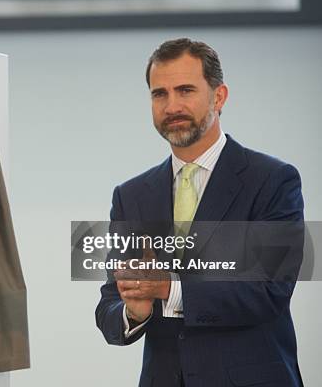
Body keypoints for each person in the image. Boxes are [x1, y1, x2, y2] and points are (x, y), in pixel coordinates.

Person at [95, 38, 304, 387]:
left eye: (185, 90)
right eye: (159, 93)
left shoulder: (273, 180)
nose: (171, 105)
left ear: (219, 97)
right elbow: (110, 307)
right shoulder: (131, 196)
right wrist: (135, 311)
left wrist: (169, 290)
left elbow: (270, 291)